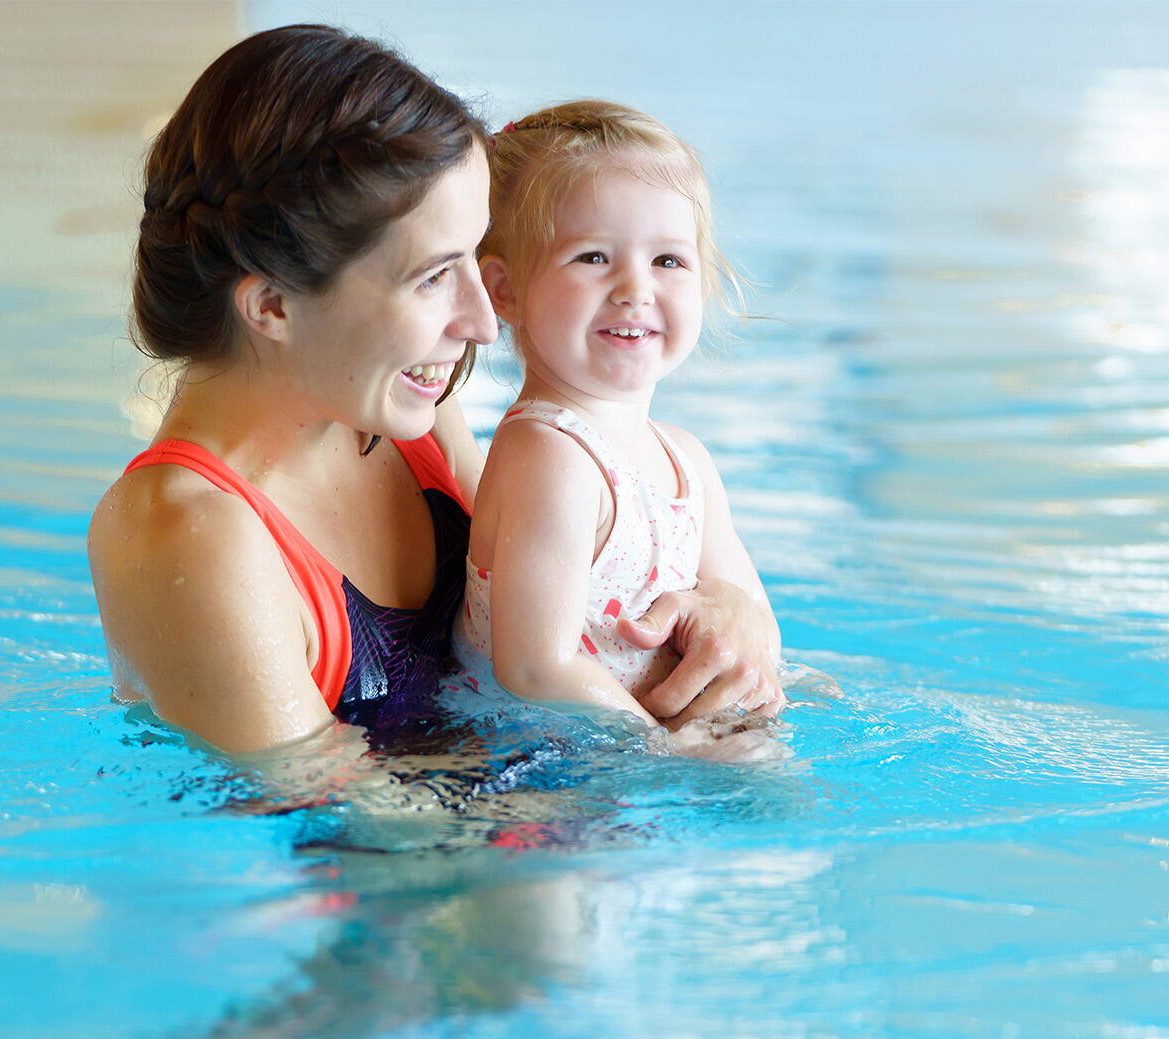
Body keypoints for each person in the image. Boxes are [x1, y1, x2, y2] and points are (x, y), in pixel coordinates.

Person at [89, 28, 783, 754]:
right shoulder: (186, 535)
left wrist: (731, 611)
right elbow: (347, 816)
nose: (484, 324)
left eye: (475, 264)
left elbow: (574, 593)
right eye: (433, 276)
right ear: (272, 306)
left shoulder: (407, 412)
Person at [456, 101, 786, 732]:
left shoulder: (686, 459)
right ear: (505, 291)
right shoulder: (549, 454)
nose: (635, 288)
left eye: (668, 261)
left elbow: (751, 617)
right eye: (593, 257)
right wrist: (664, 749)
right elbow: (534, 670)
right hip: (538, 767)